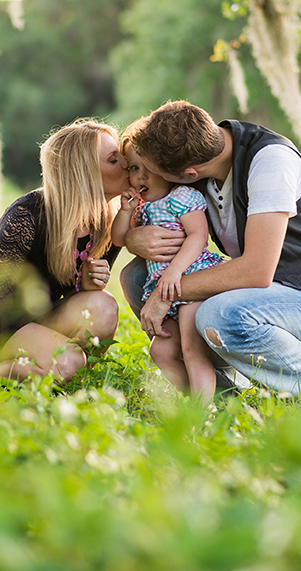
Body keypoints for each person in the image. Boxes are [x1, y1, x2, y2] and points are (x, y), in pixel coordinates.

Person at [119, 101, 301, 400]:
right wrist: (133, 238)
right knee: (137, 275)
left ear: (188, 173)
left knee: (219, 315)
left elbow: (256, 271)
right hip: (266, 293)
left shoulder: (270, 162)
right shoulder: (197, 154)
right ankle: (221, 393)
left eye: (156, 174)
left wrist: (165, 292)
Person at [0, 120, 126, 391]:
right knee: (69, 362)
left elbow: (83, 301)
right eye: (113, 159)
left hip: (33, 318)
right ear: (83, 173)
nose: (125, 164)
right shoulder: (27, 216)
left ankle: (44, 381)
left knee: (104, 308)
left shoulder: (109, 221)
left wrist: (85, 286)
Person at [111, 129, 225, 406]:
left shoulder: (182, 196)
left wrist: (175, 271)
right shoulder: (142, 207)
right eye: (135, 168)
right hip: (166, 288)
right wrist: (125, 212)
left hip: (191, 281)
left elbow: (199, 236)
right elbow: (117, 239)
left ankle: (201, 412)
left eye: (149, 168)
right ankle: (200, 401)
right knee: (160, 350)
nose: (141, 176)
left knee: (191, 348)